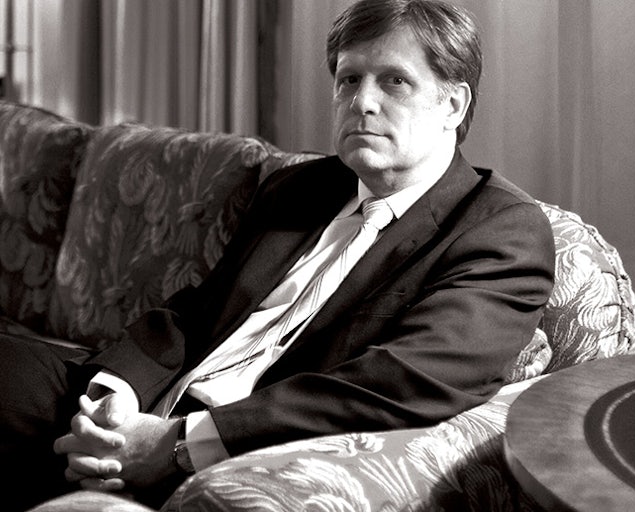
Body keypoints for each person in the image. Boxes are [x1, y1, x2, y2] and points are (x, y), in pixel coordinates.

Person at [0, 0, 555, 509]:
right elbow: (196, 313)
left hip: (243, 445)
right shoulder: (300, 187)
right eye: (349, 79)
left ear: (453, 104)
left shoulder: (500, 231)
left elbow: (401, 383)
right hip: (148, 401)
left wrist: (177, 444)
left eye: (395, 81)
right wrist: (111, 398)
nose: (362, 101)